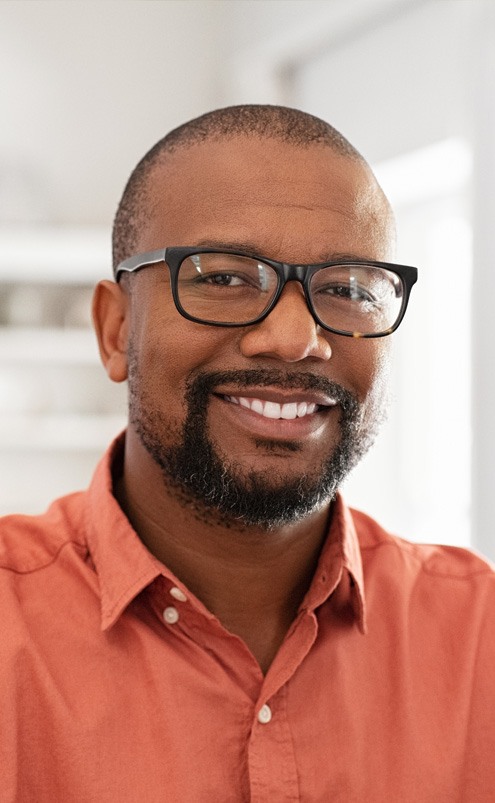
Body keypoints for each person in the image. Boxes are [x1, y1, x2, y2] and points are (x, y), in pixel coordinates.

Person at [1, 105, 493, 802]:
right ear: (116, 330)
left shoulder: (479, 638)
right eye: (225, 278)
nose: (294, 338)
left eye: (348, 289)